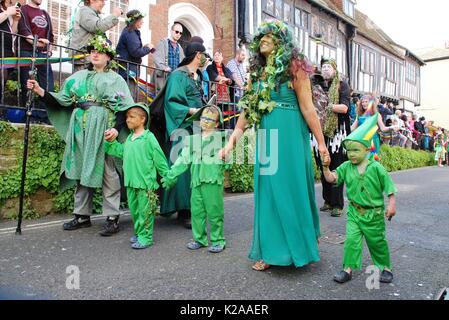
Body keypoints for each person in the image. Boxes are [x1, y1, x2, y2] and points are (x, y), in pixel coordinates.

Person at [220, 20, 329, 271]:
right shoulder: (255, 75)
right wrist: (230, 143)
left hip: (291, 135)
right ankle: (270, 250)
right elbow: (247, 112)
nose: (265, 39)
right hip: (268, 137)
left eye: (271, 35)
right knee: (268, 192)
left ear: (282, 41)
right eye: (262, 36)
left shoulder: (295, 68)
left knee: (291, 189)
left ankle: (300, 244)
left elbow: (308, 108)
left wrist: (321, 143)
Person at [27, 35, 134, 236]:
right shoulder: (77, 77)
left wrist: (117, 129)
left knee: (107, 172)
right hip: (80, 129)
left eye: (99, 51)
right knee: (81, 168)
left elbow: (124, 108)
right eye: (92, 50)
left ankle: (112, 217)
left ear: (109, 57)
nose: (95, 53)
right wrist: (40, 90)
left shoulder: (116, 79)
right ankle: (81, 215)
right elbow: (62, 100)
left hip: (104, 128)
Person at [321, 114, 397, 284]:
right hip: (354, 212)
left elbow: (389, 188)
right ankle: (347, 269)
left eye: (356, 150)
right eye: (349, 151)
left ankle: (385, 267)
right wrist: (326, 168)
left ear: (366, 149)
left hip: (374, 214)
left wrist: (391, 204)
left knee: (376, 242)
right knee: (351, 241)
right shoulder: (346, 166)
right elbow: (332, 178)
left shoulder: (376, 167)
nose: (351, 154)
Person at [162, 105, 228, 253]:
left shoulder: (221, 139)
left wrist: (225, 160)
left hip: (212, 180)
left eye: (210, 119)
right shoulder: (192, 140)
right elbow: (183, 159)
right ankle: (199, 239)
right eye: (203, 117)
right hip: (196, 181)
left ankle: (218, 240)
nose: (205, 121)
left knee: (214, 211)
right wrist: (171, 174)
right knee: (197, 211)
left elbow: (227, 157)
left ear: (217, 123)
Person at [156, 41, 208, 229]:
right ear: (197, 55)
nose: (206, 58)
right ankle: (184, 210)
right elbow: (172, 102)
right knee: (183, 167)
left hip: (197, 125)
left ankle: (194, 206)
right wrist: (192, 109)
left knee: (196, 167)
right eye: (204, 55)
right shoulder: (178, 75)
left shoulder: (197, 76)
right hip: (182, 126)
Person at [104, 103, 169, 249]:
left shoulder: (148, 138)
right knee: (135, 211)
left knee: (145, 212)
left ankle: (146, 237)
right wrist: (110, 143)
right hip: (131, 182)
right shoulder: (130, 138)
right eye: (127, 117)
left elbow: (159, 158)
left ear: (142, 119)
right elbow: (122, 152)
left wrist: (167, 175)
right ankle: (140, 233)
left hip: (146, 183)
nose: (127, 120)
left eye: (131, 117)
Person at [311, 58, 351, 217]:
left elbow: (344, 108)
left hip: (337, 132)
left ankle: (337, 204)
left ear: (335, 69)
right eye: (323, 66)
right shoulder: (316, 84)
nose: (325, 68)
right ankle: (327, 200)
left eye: (329, 66)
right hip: (319, 131)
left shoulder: (342, 84)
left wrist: (325, 106)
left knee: (336, 166)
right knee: (322, 166)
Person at [18, 0, 54, 111]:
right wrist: (39, 42)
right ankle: (28, 113)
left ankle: (45, 115)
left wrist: (49, 50)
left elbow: (51, 37)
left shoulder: (45, 13)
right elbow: (25, 33)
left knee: (47, 85)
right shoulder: (23, 10)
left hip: (43, 54)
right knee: (27, 84)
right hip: (27, 52)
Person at [69, 0, 122, 72]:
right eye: (102, 0)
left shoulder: (90, 13)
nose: (104, 3)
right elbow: (98, 27)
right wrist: (114, 15)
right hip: (84, 60)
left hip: (88, 59)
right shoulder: (85, 11)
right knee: (84, 82)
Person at [116, 9, 154, 100]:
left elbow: (133, 49)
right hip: (128, 72)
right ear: (135, 21)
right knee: (129, 98)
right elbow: (136, 52)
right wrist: (148, 48)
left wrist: (144, 48)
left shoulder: (129, 31)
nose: (142, 21)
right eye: (140, 19)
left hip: (127, 71)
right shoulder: (131, 32)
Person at [207, 49, 235, 129]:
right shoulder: (210, 67)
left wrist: (228, 80)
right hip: (215, 95)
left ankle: (225, 131)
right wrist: (225, 79)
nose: (216, 57)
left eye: (218, 55)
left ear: (222, 58)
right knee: (215, 115)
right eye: (215, 55)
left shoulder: (226, 69)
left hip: (226, 97)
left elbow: (231, 79)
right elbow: (214, 76)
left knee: (225, 115)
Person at [153, 23, 185, 91]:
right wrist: (164, 67)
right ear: (171, 31)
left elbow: (182, 64)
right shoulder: (163, 43)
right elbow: (157, 58)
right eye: (176, 32)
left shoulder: (180, 48)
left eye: (180, 33)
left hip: (175, 80)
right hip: (164, 78)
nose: (178, 34)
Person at [0, 0, 21, 100]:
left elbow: (12, 33)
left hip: (7, 51)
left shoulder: (5, 9)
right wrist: (8, 12)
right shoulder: (6, 11)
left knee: (2, 82)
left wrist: (16, 20)